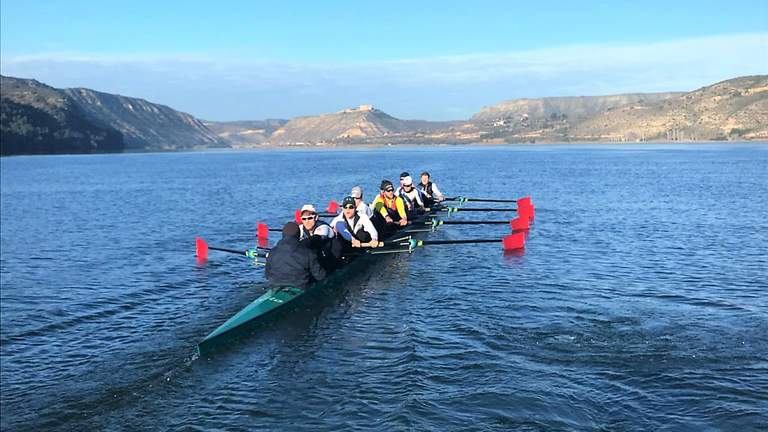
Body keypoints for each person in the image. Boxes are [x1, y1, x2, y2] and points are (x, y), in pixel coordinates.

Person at [265, 222, 326, 290]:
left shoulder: (272, 252)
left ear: (283, 235)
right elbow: (320, 276)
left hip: (275, 286)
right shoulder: (308, 253)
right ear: (298, 235)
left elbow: (267, 275)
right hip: (300, 287)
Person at [297, 204, 339, 271]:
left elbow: (315, 240)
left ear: (316, 217)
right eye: (304, 219)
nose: (307, 221)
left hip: (333, 258)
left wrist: (297, 245)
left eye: (310, 218)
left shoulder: (323, 227)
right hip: (319, 258)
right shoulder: (301, 228)